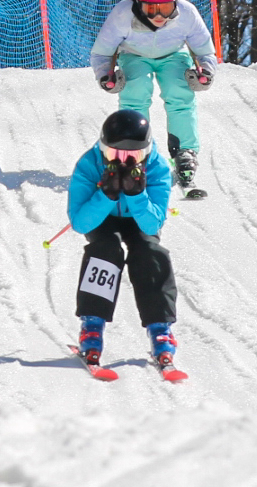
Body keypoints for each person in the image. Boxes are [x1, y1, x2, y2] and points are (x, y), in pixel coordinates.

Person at [67, 109, 181, 376]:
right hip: (103, 218)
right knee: (105, 250)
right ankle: (92, 325)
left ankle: (160, 330)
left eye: (134, 156)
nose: (124, 161)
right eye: (115, 154)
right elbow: (81, 223)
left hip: (139, 218)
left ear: (147, 151)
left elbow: (152, 225)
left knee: (150, 251)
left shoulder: (157, 167)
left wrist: (137, 194)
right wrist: (106, 195)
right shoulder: (89, 164)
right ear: (102, 147)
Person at [90, 0, 218, 193]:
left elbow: (205, 50)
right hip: (134, 55)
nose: (159, 17)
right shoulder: (123, 14)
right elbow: (101, 52)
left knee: (179, 91)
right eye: (151, 9)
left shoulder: (187, 13)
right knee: (135, 90)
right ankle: (131, 150)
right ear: (139, 3)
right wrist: (105, 75)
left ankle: (184, 152)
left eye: (166, 8)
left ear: (175, 3)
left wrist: (206, 73)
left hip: (173, 55)